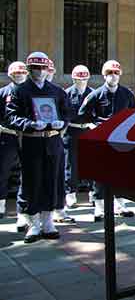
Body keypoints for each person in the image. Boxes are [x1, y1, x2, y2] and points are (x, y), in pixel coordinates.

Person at [6, 52, 70, 243]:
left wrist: (62, 122)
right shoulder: (19, 91)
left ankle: (48, 221)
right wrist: (29, 124)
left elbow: (68, 112)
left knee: (53, 179)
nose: (40, 72)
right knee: (32, 181)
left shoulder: (57, 91)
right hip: (31, 141)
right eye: (35, 68)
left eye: (43, 68)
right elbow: (11, 116)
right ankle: (33, 223)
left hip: (52, 141)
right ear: (29, 69)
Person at [78, 60, 135, 222]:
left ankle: (120, 205)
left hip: (120, 140)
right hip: (101, 140)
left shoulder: (127, 94)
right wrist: (91, 126)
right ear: (104, 75)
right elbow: (83, 114)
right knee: (100, 173)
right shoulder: (95, 95)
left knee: (120, 173)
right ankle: (99, 207)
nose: (113, 76)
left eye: (116, 73)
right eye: (110, 73)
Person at [62, 65, 94, 210]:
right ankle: (70, 194)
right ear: (73, 78)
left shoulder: (93, 93)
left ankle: (93, 194)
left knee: (91, 163)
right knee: (71, 164)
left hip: (88, 130)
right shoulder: (66, 94)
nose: (82, 81)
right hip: (72, 131)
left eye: (84, 78)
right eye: (79, 78)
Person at [0, 61, 27, 221]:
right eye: (16, 73)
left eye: (22, 73)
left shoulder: (30, 92)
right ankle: (1, 204)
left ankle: (23, 211)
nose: (19, 76)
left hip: (28, 137)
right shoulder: (3, 93)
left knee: (27, 174)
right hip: (7, 136)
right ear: (10, 75)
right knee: (3, 171)